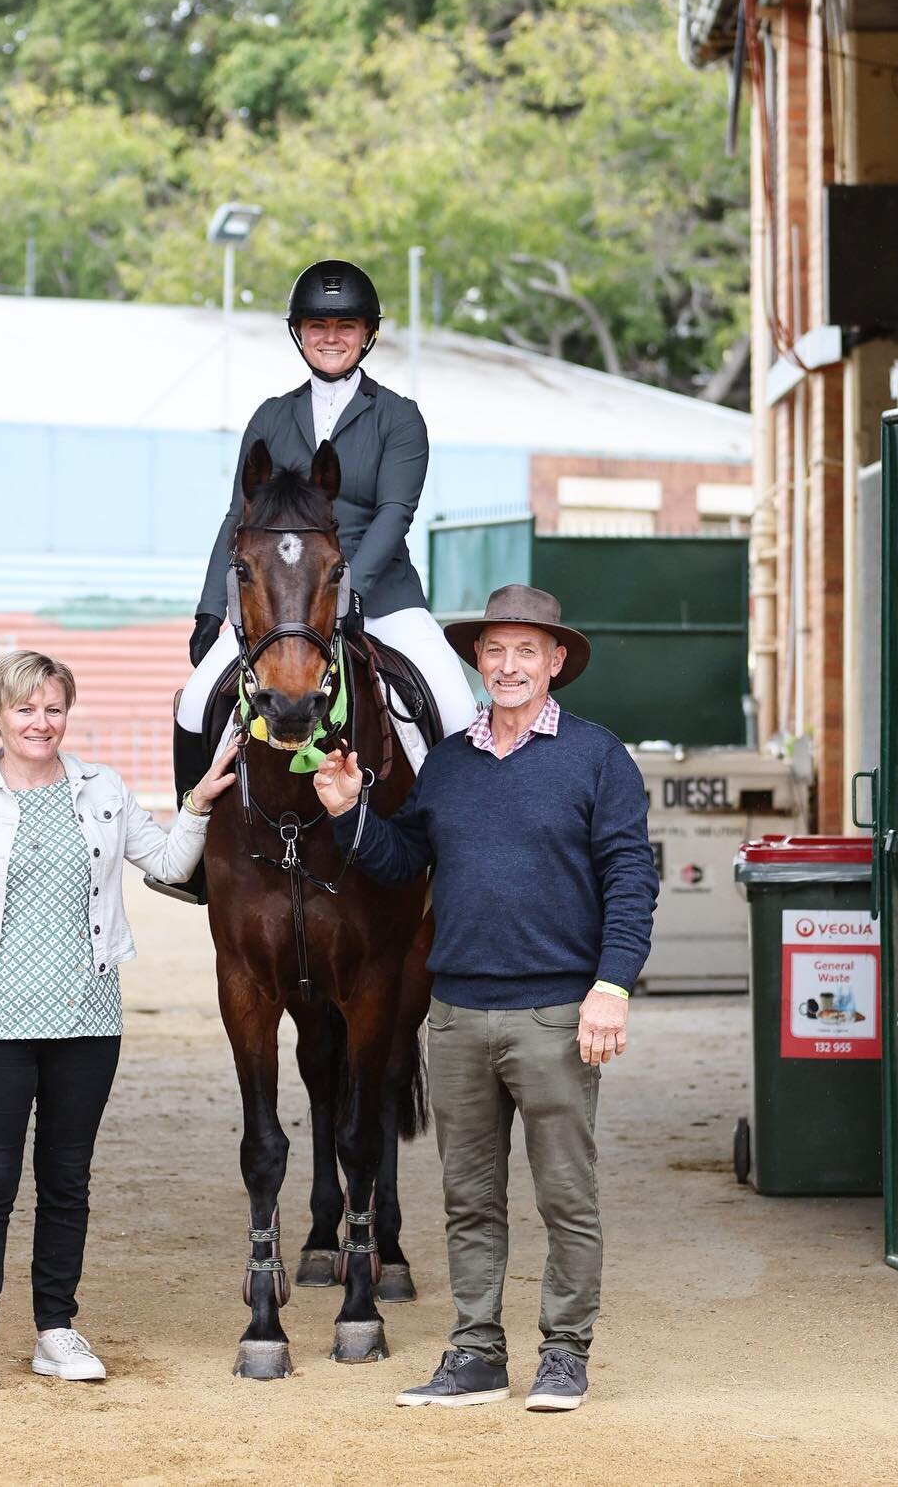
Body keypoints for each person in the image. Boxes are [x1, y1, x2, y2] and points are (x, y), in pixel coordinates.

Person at [311, 584, 658, 1412]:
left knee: (566, 1198)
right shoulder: (451, 762)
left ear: (556, 663)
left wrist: (611, 986)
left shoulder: (597, 757)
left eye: (526, 652)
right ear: (479, 659)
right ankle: (475, 1354)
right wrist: (348, 812)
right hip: (458, 1016)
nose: (508, 666)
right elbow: (403, 864)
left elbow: (630, 880)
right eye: (495, 651)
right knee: (469, 1200)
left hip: (555, 1016)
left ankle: (565, 1355)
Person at [0, 650, 237, 1396]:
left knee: (67, 1179)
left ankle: (55, 1328)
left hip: (86, 1012)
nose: (39, 723)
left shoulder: (101, 789)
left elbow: (170, 865)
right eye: (24, 709)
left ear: (66, 714)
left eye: (52, 709)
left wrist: (201, 803)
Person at [160, 258, 478, 900]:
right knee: (196, 702)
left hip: (378, 594)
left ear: (367, 334)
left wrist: (352, 587)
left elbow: (396, 511)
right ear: (299, 334)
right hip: (279, 604)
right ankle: (196, 857)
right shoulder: (271, 417)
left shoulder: (398, 416)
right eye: (317, 325)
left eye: (345, 325)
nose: (331, 337)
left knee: (456, 704)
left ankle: (459, 863)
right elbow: (238, 518)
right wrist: (208, 609)